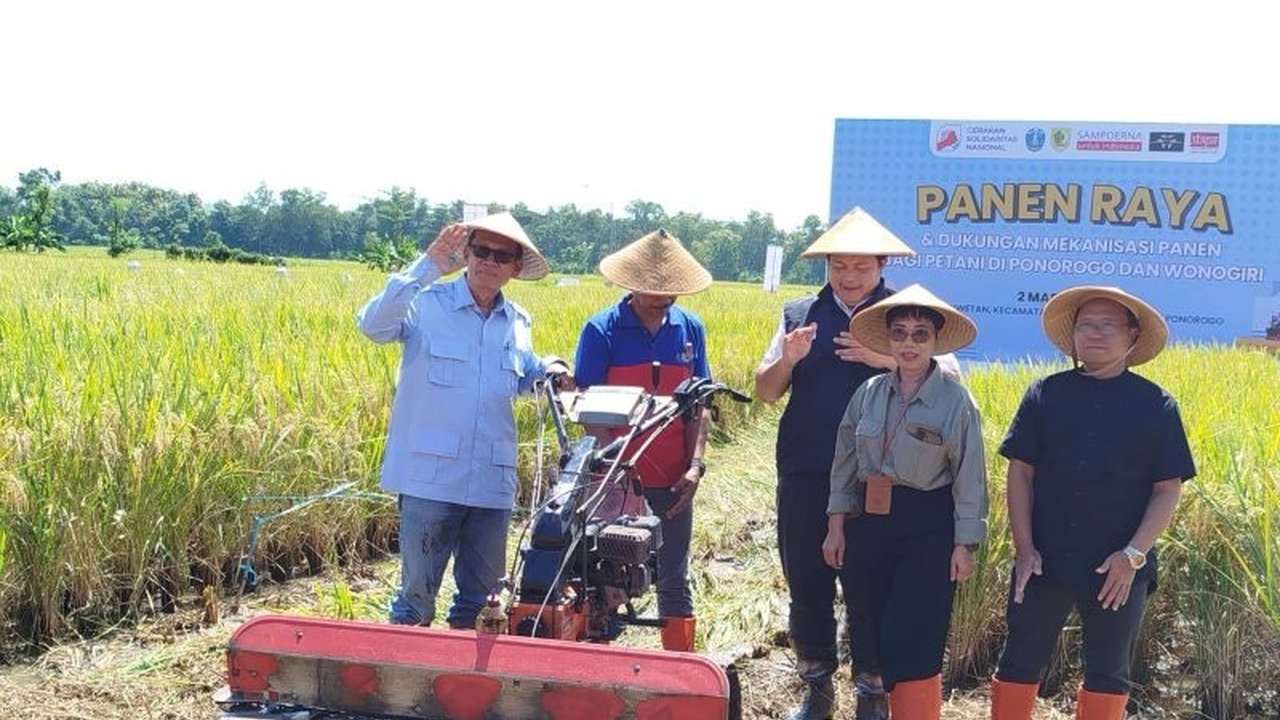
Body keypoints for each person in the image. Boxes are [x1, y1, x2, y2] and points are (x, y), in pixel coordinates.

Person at [756, 206, 947, 720]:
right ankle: (817, 684)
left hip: (881, 476)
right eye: (840, 266)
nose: (849, 277)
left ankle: (873, 687)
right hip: (807, 469)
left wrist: (889, 359)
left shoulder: (906, 315)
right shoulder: (799, 315)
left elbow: (951, 379)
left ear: (883, 266)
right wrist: (788, 360)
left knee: (871, 582)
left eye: (862, 267)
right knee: (807, 578)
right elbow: (765, 390)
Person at [990, 286, 1195, 720]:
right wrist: (1024, 549)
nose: (1095, 334)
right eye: (1086, 324)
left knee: (1108, 673)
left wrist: (1133, 555)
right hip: (1044, 559)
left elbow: (1167, 488)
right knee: (1019, 661)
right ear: (1073, 335)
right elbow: (1020, 472)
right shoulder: (1045, 394)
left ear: (1132, 337)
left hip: (1117, 566)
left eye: (1108, 325)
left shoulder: (1155, 405)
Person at [356, 211, 568, 629]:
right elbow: (373, 325)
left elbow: (526, 375)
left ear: (514, 267)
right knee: (416, 601)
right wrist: (428, 265)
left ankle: (464, 691)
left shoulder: (517, 322)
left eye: (501, 255)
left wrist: (553, 369)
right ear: (466, 254)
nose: (490, 261)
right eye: (481, 250)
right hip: (430, 479)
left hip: (491, 482)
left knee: (482, 604)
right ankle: (405, 684)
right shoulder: (425, 304)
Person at [822, 284, 988, 720]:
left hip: (928, 526)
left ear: (935, 341)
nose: (909, 344)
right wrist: (836, 526)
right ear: (889, 340)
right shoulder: (870, 393)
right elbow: (844, 461)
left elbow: (970, 474)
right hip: (869, 522)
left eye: (919, 334)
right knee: (868, 625)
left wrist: (964, 544)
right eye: (900, 334)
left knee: (915, 634)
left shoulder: (955, 401)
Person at [573, 228, 713, 652]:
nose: (661, 296)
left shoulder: (689, 330)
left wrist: (695, 465)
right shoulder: (602, 331)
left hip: (672, 477)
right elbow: (590, 411)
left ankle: (680, 671)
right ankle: (596, 667)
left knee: (673, 575)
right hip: (615, 479)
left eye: (669, 288)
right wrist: (612, 475)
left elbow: (698, 404)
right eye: (652, 288)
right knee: (606, 578)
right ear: (631, 283)